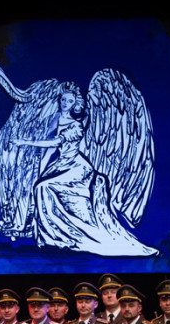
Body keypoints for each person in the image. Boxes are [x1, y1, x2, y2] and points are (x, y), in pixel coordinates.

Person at [9, 82, 157, 256]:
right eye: (63, 99)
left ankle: (65, 237)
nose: (65, 103)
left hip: (77, 167)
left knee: (43, 187)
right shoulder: (55, 119)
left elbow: (54, 143)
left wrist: (25, 142)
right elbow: (49, 150)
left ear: (75, 104)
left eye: (69, 101)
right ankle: (51, 237)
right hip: (61, 164)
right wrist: (41, 170)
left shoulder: (76, 126)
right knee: (39, 186)